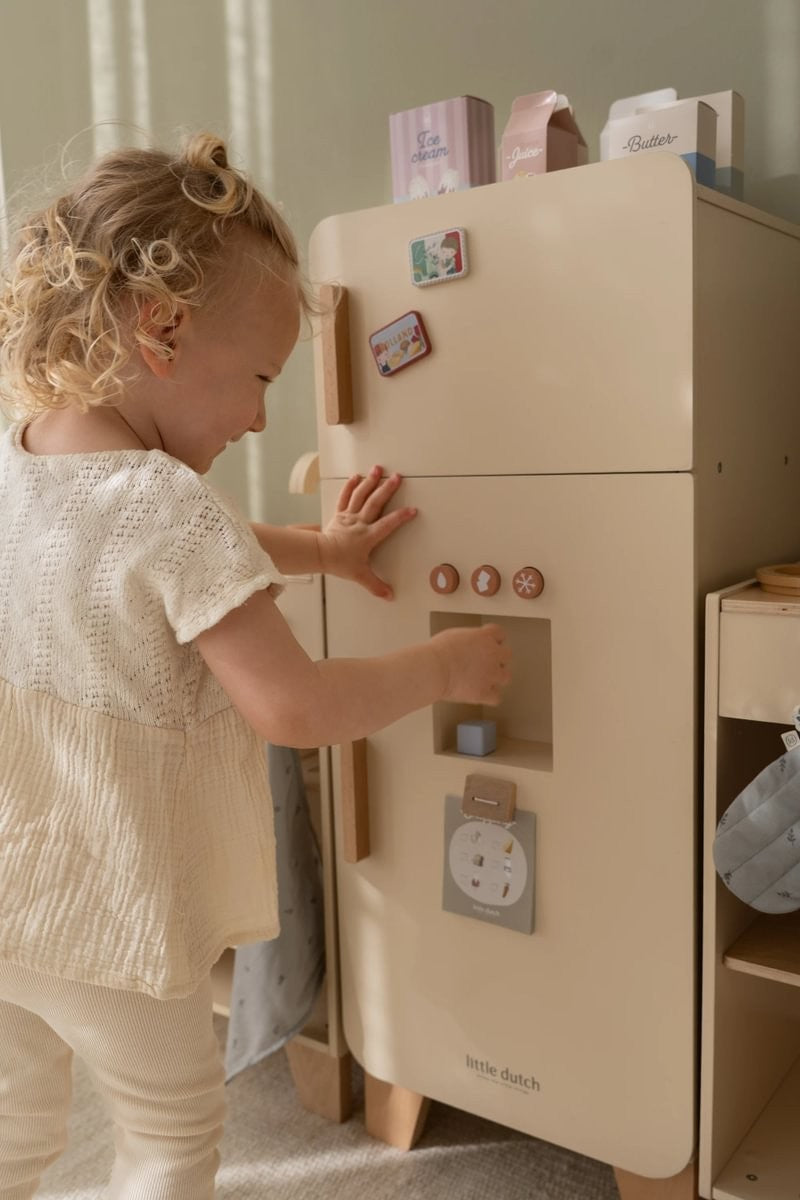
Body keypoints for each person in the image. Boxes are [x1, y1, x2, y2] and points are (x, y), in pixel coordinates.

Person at [0, 132, 511, 1198]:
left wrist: (323, 552)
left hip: (8, 887)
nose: (261, 416)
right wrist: (443, 662)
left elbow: (138, 562)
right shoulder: (167, 504)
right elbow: (296, 706)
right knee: (168, 1134)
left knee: (13, 1128)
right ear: (163, 328)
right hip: (113, 905)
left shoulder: (24, 459)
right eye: (261, 379)